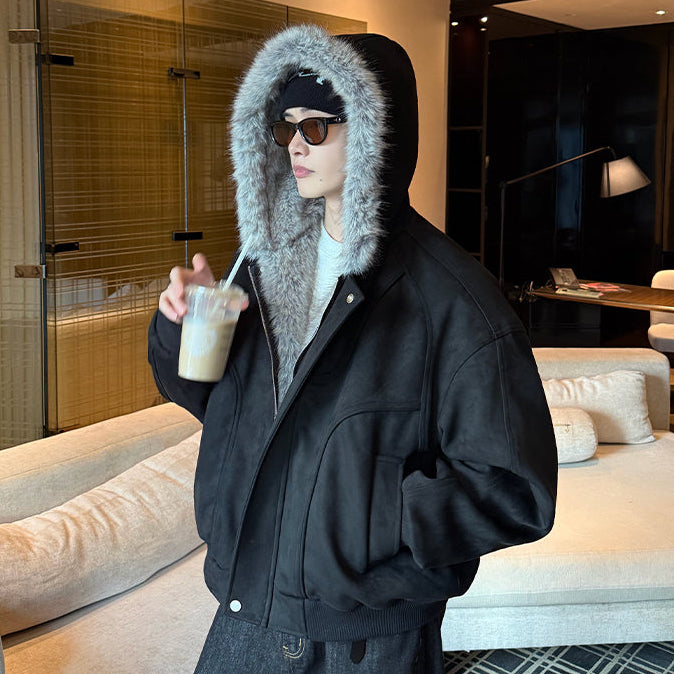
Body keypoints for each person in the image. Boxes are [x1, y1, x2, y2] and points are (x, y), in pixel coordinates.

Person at [149, 24, 557, 674]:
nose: (295, 146)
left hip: (365, 638)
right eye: (286, 128)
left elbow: (513, 491)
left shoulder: (454, 300)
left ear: (375, 132)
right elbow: (208, 399)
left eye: (317, 128)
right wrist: (182, 327)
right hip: (245, 606)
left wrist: (369, 521)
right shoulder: (263, 263)